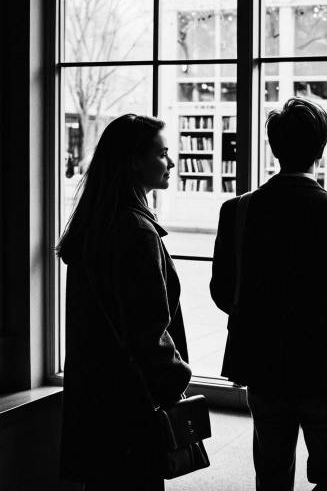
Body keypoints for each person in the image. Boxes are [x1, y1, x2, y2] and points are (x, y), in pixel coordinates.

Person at [210, 97, 327, 491]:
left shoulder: (238, 211)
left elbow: (221, 290)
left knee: (271, 470)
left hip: (263, 361)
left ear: (273, 147)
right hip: (323, 363)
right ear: (320, 149)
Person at [57, 114, 192, 491]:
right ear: (134, 161)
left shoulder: (95, 222)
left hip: (97, 395)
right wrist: (176, 378)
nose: (171, 162)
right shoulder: (136, 230)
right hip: (131, 405)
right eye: (162, 154)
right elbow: (149, 330)